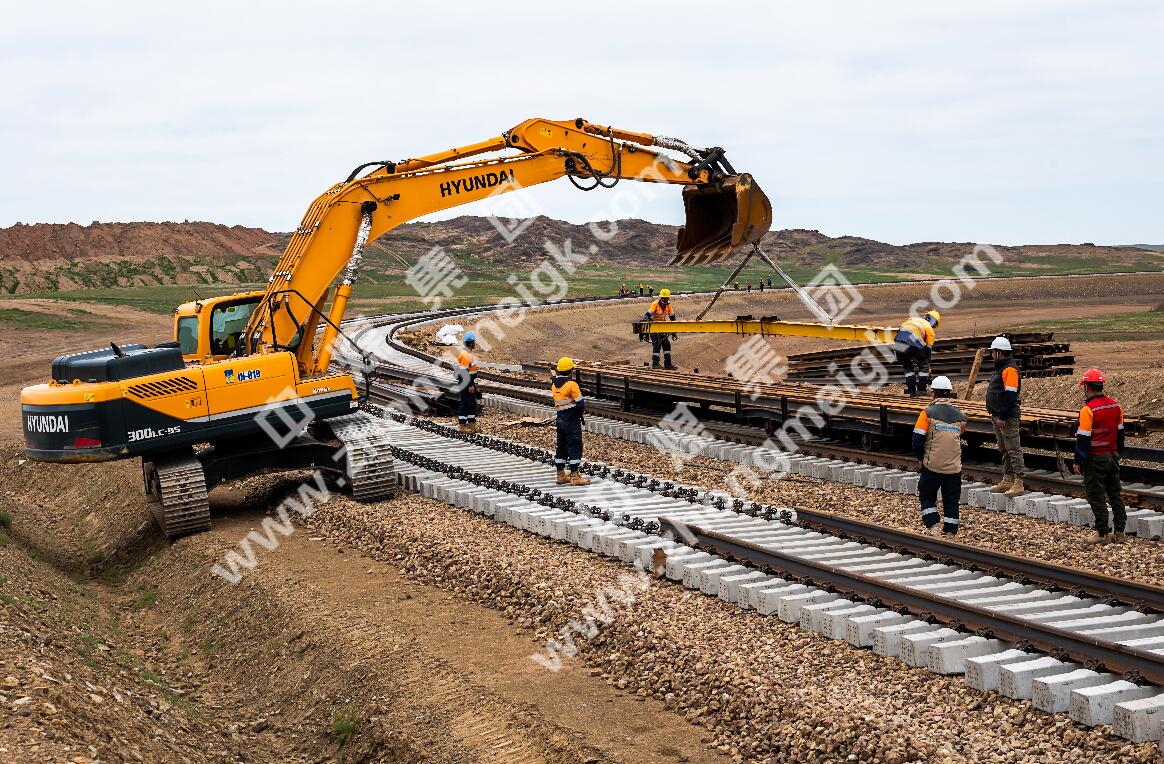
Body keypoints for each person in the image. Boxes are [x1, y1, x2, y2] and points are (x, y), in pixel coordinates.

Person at [1073, 368, 1126, 544]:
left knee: (1095, 495)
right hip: (1112, 455)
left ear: (1087, 386)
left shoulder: (1088, 410)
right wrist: (1116, 451)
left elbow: (1083, 439)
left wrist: (1078, 460)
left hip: (1095, 458)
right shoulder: (1115, 405)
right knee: (1114, 494)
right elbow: (1120, 433)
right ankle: (1119, 532)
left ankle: (1102, 533)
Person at [912, 376, 968, 536]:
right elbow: (959, 435)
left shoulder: (926, 414)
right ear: (949, 394)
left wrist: (920, 457)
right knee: (951, 500)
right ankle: (950, 532)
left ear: (933, 393)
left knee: (927, 495)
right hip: (954, 468)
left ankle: (933, 526)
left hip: (932, 466)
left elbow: (917, 440)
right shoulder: (962, 417)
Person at [985, 336, 1025, 496]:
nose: (991, 355)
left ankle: (1018, 482)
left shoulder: (1009, 370)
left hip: (1006, 417)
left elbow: (1010, 396)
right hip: (997, 415)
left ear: (999, 353)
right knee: (1004, 449)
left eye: (993, 352)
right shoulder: (1001, 368)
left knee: (1013, 449)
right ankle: (1008, 478)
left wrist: (1003, 416)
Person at [551, 357, 590, 486]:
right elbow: (580, 403)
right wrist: (579, 413)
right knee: (575, 445)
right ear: (571, 370)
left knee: (561, 445)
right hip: (571, 419)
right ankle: (574, 475)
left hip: (560, 417)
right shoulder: (572, 384)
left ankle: (560, 474)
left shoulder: (554, 384)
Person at [893, 310, 941, 397]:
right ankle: (921, 391)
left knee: (908, 367)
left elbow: (898, 334)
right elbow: (928, 351)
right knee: (924, 366)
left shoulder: (912, 319)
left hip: (898, 345)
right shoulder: (929, 329)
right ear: (934, 323)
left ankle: (911, 392)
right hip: (912, 344)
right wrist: (927, 367)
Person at [644, 288, 678, 369]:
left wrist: (674, 332)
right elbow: (646, 315)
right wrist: (648, 321)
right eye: (664, 298)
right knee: (657, 344)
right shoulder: (655, 304)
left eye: (666, 298)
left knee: (666, 344)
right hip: (654, 327)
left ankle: (668, 365)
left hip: (662, 327)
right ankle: (655, 364)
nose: (665, 300)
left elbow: (672, 318)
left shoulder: (669, 306)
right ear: (661, 298)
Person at [456, 331, 479, 432]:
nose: (475, 344)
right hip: (465, 383)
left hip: (470, 381)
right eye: (474, 342)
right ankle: (462, 425)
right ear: (470, 343)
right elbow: (465, 372)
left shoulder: (469, 354)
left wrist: (474, 384)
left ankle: (471, 424)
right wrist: (470, 385)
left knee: (472, 403)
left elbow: (471, 371)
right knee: (465, 403)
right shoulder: (465, 355)